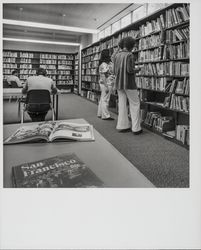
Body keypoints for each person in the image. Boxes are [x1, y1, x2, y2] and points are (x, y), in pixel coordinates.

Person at [113, 36, 142, 134]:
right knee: (135, 104)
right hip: (129, 83)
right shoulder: (130, 55)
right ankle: (136, 128)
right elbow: (130, 70)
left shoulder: (116, 55)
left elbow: (114, 71)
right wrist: (138, 69)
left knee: (122, 104)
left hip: (119, 84)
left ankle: (122, 125)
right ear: (131, 45)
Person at [97, 49, 115, 120]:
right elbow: (103, 76)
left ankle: (100, 113)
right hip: (106, 83)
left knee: (102, 98)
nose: (110, 55)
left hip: (104, 83)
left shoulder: (104, 64)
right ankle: (105, 116)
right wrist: (106, 86)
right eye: (109, 54)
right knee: (105, 100)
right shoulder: (104, 65)